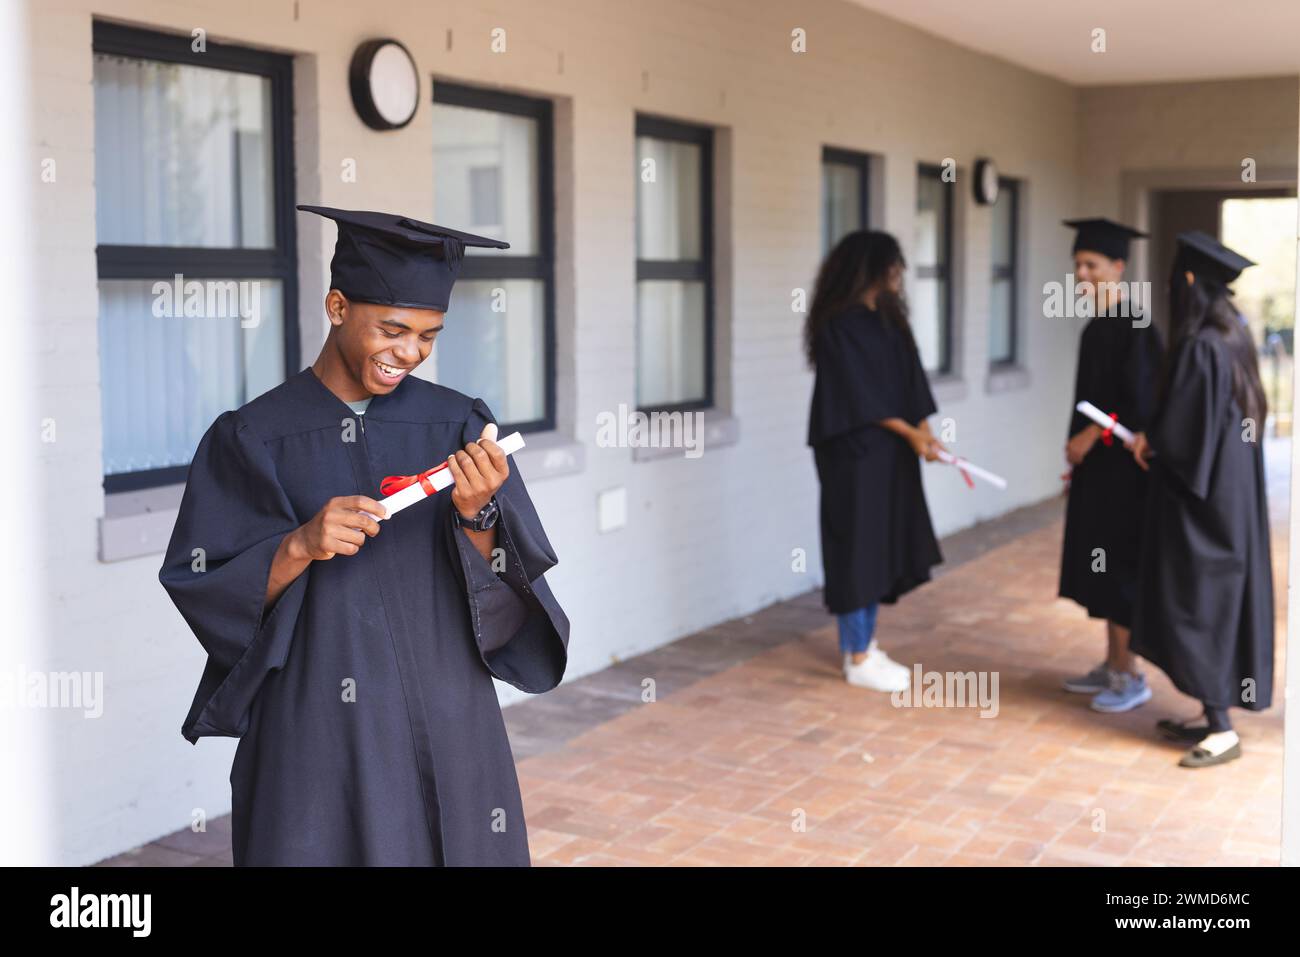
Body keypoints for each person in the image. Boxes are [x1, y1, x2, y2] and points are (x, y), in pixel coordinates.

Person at [159, 205, 570, 864]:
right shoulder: (253, 436)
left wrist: (476, 514)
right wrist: (300, 544)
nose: (409, 352)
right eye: (393, 329)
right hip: (318, 731)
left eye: (429, 336)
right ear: (337, 304)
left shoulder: (457, 425)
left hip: (448, 720)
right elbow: (205, 585)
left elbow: (510, 600)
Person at [1127, 231, 1274, 768]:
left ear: (1187, 279)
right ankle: (1207, 710)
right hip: (1231, 497)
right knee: (1213, 601)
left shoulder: (1199, 345)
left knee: (1197, 603)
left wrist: (1152, 441)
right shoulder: (1233, 332)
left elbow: (1186, 434)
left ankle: (1221, 727)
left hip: (1203, 503)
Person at [805, 230, 944, 692]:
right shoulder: (837, 326)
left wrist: (925, 432)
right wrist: (910, 433)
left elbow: (910, 380)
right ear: (872, 267)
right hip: (853, 456)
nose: (899, 274)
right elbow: (857, 396)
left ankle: (866, 643)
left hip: (890, 455)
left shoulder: (888, 319)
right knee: (855, 550)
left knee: (880, 547)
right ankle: (857, 655)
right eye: (893, 265)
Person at [1056, 218, 1164, 713]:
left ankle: (1131, 673)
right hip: (1098, 472)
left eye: (1092, 265)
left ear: (1118, 267)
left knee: (1118, 567)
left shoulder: (1136, 326)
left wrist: (1087, 437)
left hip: (1123, 474)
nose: (1082, 273)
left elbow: (1139, 405)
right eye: (1078, 265)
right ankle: (1111, 662)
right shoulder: (1099, 325)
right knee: (1098, 564)